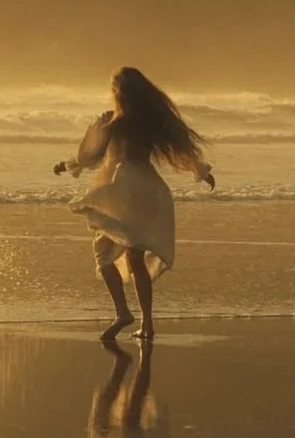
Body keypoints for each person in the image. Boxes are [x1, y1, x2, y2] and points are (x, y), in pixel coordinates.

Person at [54, 67, 215, 340]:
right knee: (135, 258)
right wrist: (201, 171)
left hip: (122, 190)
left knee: (103, 252)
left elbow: (89, 156)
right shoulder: (151, 121)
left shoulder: (110, 122)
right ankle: (148, 323)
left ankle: (122, 312)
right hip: (149, 191)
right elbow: (180, 152)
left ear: (118, 92)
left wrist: (67, 164)